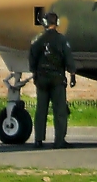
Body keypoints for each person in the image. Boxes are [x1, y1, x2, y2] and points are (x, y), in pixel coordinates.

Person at [28, 12, 76, 148]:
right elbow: (68, 59)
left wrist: (35, 73)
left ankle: (38, 140)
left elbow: (32, 57)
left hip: (42, 79)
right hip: (57, 80)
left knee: (41, 110)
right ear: (57, 23)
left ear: (45, 23)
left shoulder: (38, 40)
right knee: (60, 110)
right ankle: (59, 140)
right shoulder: (62, 40)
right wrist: (72, 74)